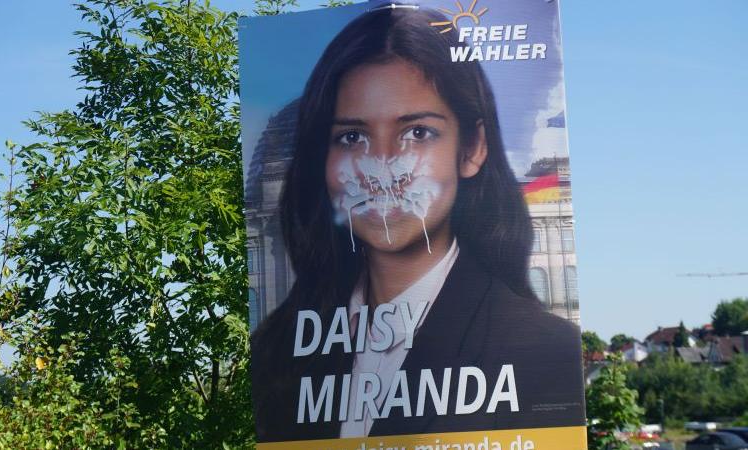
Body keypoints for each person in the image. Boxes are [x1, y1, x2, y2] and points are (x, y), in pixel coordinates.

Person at [250, 4, 585, 443]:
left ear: (472, 149)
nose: (382, 167)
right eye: (352, 137)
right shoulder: (278, 354)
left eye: (417, 133)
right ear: (322, 165)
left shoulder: (544, 350)